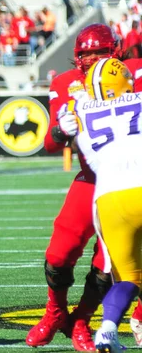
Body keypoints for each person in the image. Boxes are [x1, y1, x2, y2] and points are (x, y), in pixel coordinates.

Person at [26, 23, 118, 351]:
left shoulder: (133, 76)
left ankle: (80, 321)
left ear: (115, 53)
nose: (92, 59)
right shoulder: (65, 84)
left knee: (108, 264)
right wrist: (61, 131)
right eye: (86, 54)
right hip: (90, 178)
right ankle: (54, 314)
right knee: (58, 253)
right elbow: (51, 143)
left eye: (100, 52)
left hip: (125, 182)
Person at [65, 58, 138, 352]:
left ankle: (107, 331)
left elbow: (63, 127)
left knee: (127, 278)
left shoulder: (77, 107)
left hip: (108, 196)